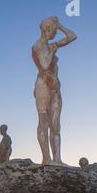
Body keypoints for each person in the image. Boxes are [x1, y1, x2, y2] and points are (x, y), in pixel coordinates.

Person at [32, 16, 77, 165]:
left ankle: (57, 159)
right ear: (46, 29)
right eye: (54, 30)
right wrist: (53, 50)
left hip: (55, 87)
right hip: (43, 86)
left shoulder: (51, 45)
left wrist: (60, 26)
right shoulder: (37, 46)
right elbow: (44, 65)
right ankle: (46, 158)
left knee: (56, 124)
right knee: (43, 122)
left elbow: (72, 37)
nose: (56, 34)